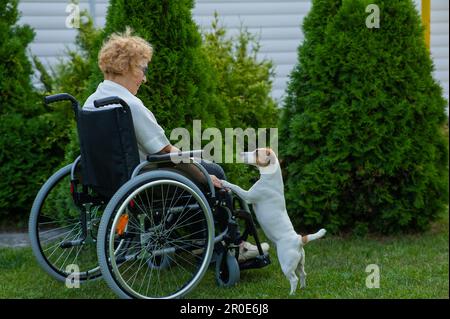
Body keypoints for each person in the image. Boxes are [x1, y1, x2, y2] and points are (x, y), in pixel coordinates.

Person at [83, 27, 269, 261]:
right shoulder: (129, 105)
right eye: (142, 69)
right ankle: (234, 245)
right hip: (144, 184)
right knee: (213, 172)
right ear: (125, 67)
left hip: (108, 182)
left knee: (202, 172)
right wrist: (203, 175)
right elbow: (167, 152)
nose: (144, 77)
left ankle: (204, 240)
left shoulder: (92, 102)